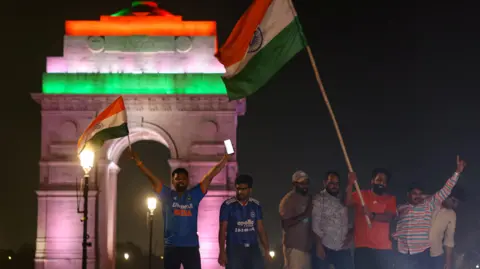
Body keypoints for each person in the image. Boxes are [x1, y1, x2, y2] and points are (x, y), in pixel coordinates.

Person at [131, 150, 229, 269]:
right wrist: (139, 163)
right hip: (172, 247)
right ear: (173, 181)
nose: (180, 180)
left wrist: (224, 160)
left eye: (183, 178)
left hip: (191, 247)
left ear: (188, 181)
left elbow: (209, 176)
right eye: (177, 178)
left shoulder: (194, 195)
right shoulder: (166, 194)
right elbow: (151, 178)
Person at [393, 156, 466, 269]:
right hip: (403, 254)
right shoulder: (400, 208)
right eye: (414, 193)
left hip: (423, 254)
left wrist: (457, 172)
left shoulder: (428, 205)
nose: (417, 196)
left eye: (419, 193)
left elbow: (445, 190)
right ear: (408, 195)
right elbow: (388, 217)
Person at [346, 168, 397, 269]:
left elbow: (388, 217)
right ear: (372, 181)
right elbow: (347, 202)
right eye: (378, 180)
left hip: (383, 250)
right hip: (363, 248)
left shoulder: (391, 199)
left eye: (384, 181)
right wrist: (350, 183)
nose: (381, 183)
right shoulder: (361, 195)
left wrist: (372, 215)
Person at [218, 174, 271, 269]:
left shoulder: (256, 205)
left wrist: (267, 250)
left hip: (252, 248)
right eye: (238, 188)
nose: (240, 192)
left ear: (250, 189)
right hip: (234, 249)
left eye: (243, 189)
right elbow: (222, 230)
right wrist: (222, 252)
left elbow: (261, 229)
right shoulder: (227, 206)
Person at [312, 171, 354, 269]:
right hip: (325, 246)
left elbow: (351, 220)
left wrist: (351, 235)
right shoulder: (319, 199)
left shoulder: (342, 200)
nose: (334, 186)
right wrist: (318, 245)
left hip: (342, 247)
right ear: (324, 183)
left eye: (337, 183)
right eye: (331, 183)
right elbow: (315, 224)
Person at [279, 170, 313, 269]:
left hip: (308, 250)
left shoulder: (309, 198)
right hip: (294, 249)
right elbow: (285, 224)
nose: (305, 186)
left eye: (307, 183)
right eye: (302, 183)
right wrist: (305, 214)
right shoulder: (288, 200)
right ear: (294, 184)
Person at [429, 186, 465, 269]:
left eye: (457, 203)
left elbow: (449, 240)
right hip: (418, 250)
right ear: (447, 196)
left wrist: (448, 263)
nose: (455, 205)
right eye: (454, 201)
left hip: (436, 254)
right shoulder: (430, 205)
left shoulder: (451, 214)